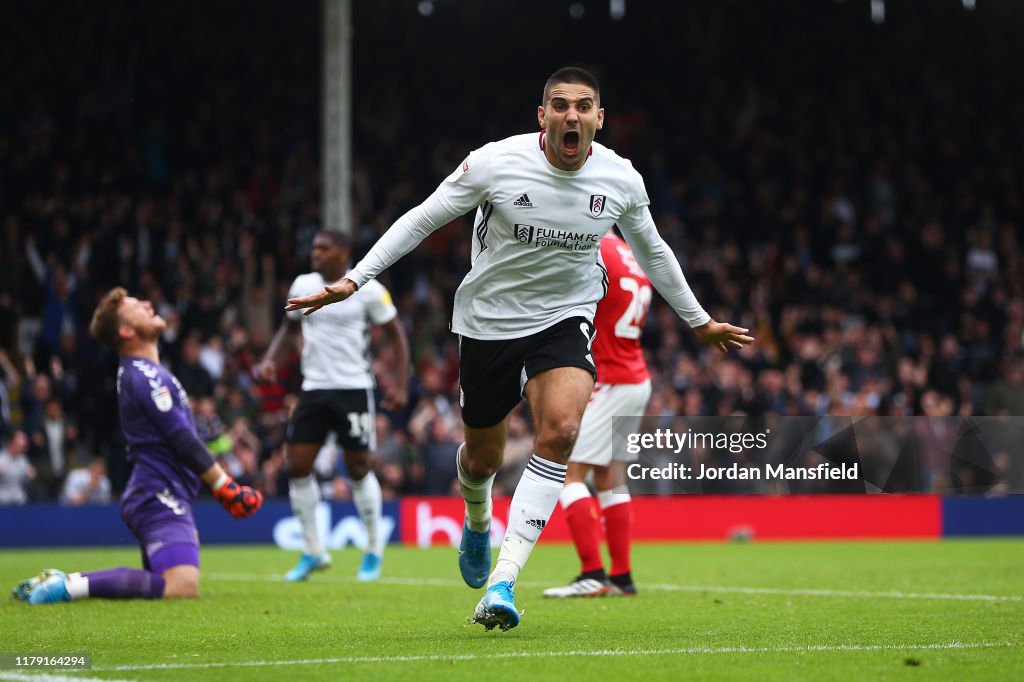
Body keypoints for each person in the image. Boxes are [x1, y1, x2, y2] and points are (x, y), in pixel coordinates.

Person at [286, 67, 753, 630]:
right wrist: (357, 279)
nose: (572, 115)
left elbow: (653, 251)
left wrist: (699, 320)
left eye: (584, 106)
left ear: (599, 119)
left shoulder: (620, 179)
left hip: (565, 318)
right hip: (487, 323)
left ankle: (503, 583)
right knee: (480, 459)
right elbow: (421, 219)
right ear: (543, 116)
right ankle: (477, 518)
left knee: (561, 431)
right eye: (560, 105)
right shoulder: (495, 163)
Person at [12, 288, 262, 605]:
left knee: (163, 585)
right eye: (135, 306)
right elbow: (181, 438)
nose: (147, 303)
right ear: (126, 331)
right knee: (180, 586)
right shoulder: (144, 375)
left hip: (163, 492)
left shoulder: (147, 373)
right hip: (158, 494)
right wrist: (225, 486)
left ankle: (64, 583)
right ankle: (66, 585)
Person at [258, 230, 410, 582]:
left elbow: (397, 336)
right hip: (313, 388)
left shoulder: (367, 287)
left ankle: (373, 550)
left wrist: (401, 385)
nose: (316, 253)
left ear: (343, 253)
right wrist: (270, 359)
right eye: (314, 248)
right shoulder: (302, 284)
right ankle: (313, 550)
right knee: (296, 465)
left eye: (324, 248)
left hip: (354, 388)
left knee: (358, 467)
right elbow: (288, 327)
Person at [542, 229, 652, 599]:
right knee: (609, 477)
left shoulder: (593, 246)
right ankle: (621, 576)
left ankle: (592, 572)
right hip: (635, 377)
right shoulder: (630, 254)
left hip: (610, 380)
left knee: (569, 475)